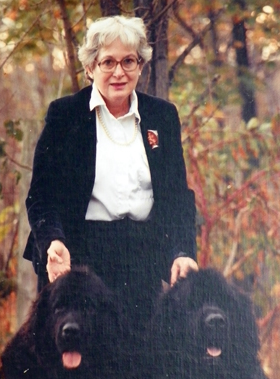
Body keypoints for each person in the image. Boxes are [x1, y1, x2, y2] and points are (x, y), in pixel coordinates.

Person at [24, 15, 198, 325]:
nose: (118, 72)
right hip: (81, 259)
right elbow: (42, 196)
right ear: (90, 68)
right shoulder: (65, 115)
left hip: (142, 260)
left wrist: (182, 251)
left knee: (137, 361)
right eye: (108, 62)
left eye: (128, 61)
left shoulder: (162, 116)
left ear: (140, 66)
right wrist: (53, 241)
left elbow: (177, 198)